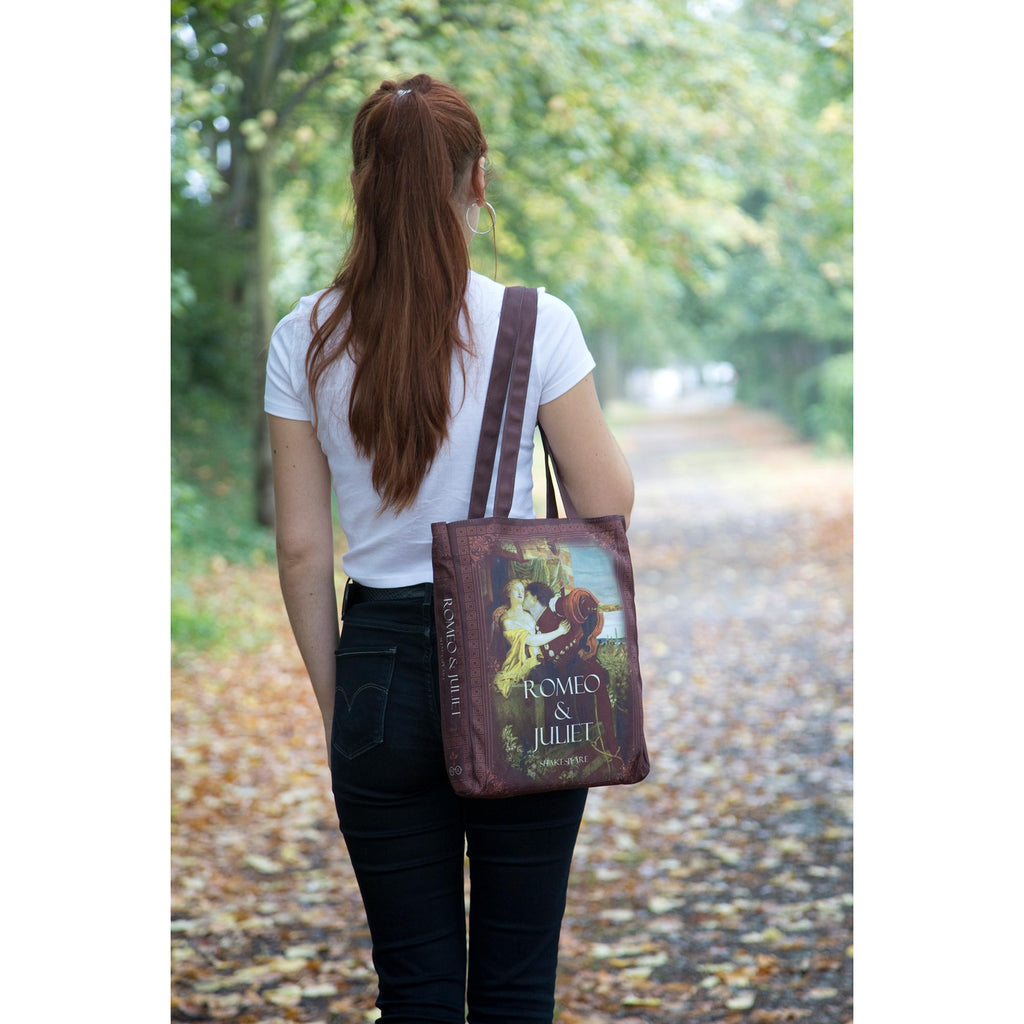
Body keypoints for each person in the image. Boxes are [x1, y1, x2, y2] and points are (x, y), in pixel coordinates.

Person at [264, 73, 634, 1024]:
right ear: (479, 181)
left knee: (415, 990)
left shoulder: (303, 337)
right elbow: (605, 503)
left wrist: (346, 704)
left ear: (361, 183)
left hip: (379, 668)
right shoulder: (533, 323)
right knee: (514, 990)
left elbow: (304, 552)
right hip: (524, 658)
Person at [491, 579, 570, 697]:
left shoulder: (530, 615)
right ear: (508, 594)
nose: (520, 593)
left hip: (540, 659)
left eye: (522, 590)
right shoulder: (507, 621)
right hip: (523, 663)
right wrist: (560, 631)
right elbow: (531, 640)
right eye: (516, 590)